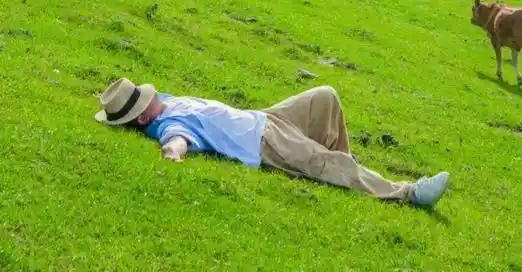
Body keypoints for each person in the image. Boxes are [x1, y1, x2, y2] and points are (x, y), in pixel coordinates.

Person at [95, 77, 450, 208]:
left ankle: (344, 168)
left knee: (325, 97)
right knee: (327, 161)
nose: (152, 97)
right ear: (143, 119)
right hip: (263, 142)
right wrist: (172, 154)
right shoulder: (166, 124)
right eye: (144, 102)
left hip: (266, 117)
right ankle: (409, 193)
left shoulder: (165, 103)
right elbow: (177, 141)